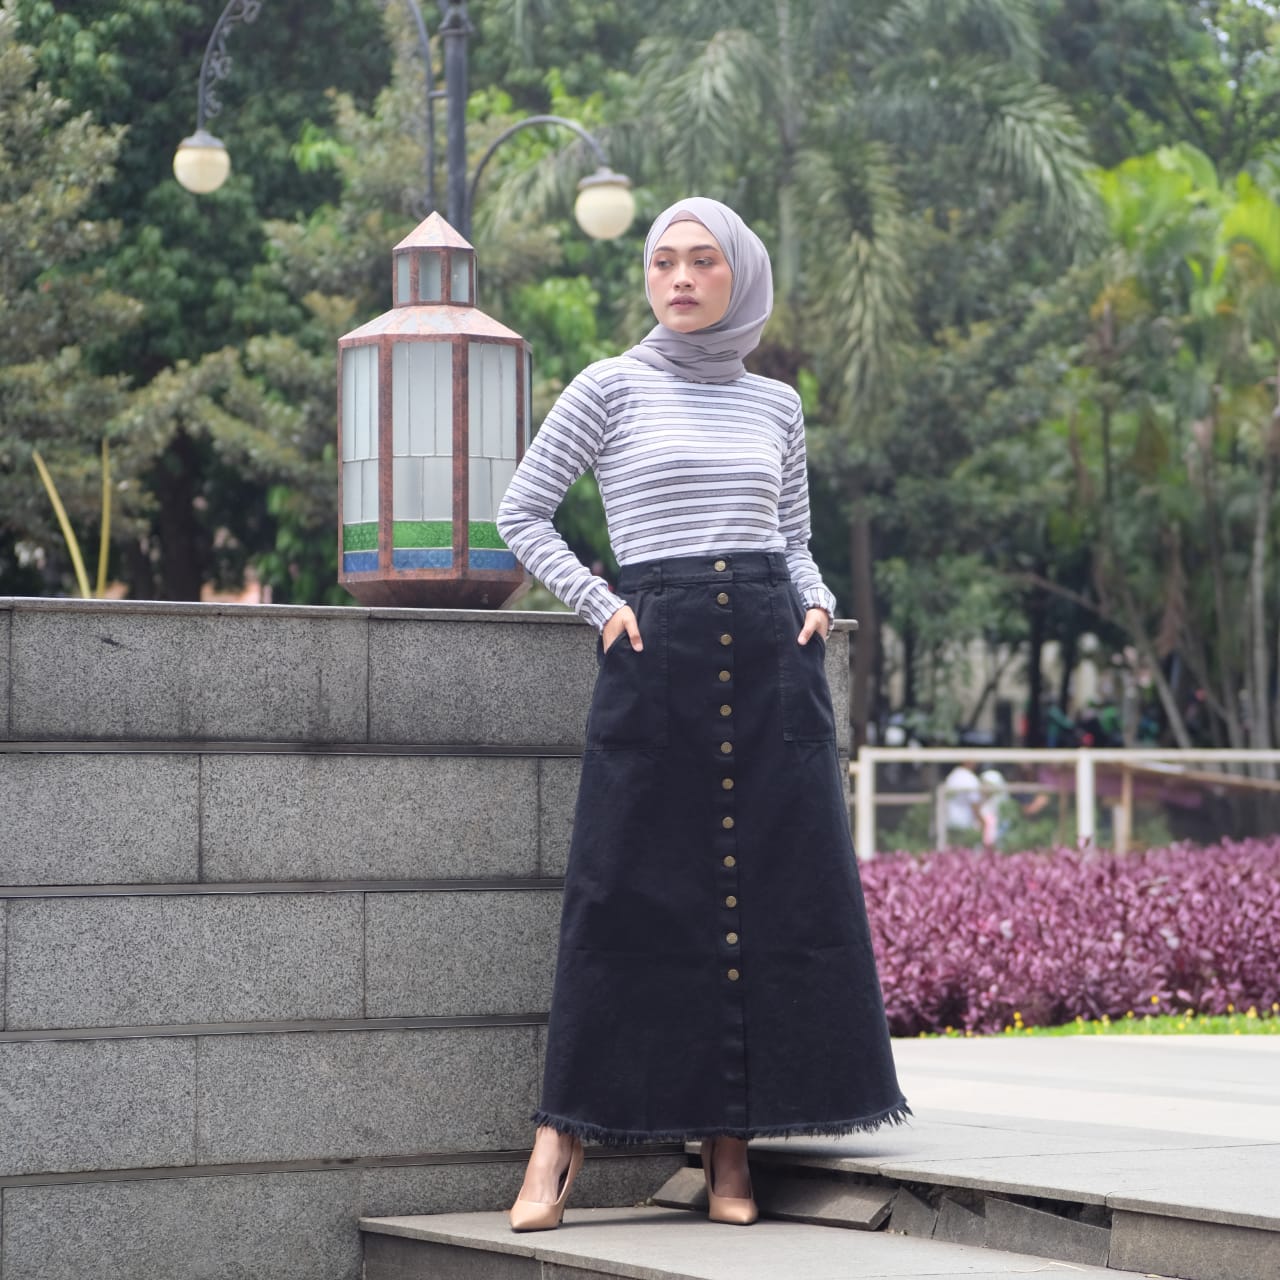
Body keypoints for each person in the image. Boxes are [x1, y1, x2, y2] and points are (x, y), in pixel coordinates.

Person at [495, 196, 909, 1233]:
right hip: (655, 649)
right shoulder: (608, 386)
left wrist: (816, 599)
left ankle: (730, 1143)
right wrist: (601, 603)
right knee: (620, 892)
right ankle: (559, 1136)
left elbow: (793, 535)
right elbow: (521, 511)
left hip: (771, 655)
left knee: (766, 893)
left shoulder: (775, 404)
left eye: (702, 261)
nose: (678, 278)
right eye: (662, 261)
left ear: (740, 276)